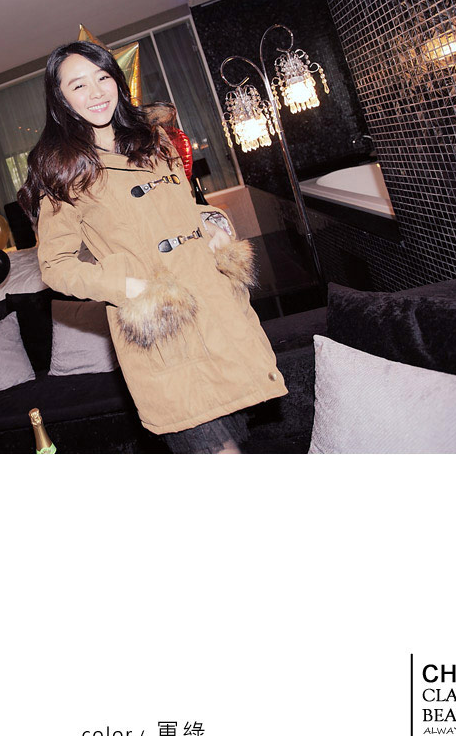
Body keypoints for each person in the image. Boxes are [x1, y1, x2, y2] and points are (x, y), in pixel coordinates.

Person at [26, 50, 290, 451]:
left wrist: (211, 225)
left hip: (216, 309)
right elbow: (56, 266)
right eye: (78, 85)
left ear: (117, 80)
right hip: (163, 328)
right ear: (61, 98)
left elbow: (182, 207)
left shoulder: (155, 139)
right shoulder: (64, 170)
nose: (96, 92)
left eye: (102, 77)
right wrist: (129, 287)